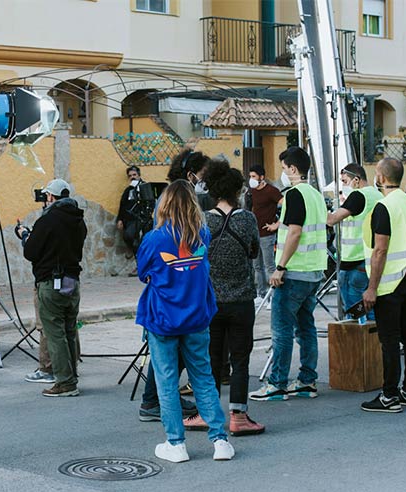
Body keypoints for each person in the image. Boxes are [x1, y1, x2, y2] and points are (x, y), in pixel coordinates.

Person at [136, 180, 234, 463]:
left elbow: (143, 273)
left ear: (163, 204)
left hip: (163, 319)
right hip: (197, 317)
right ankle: (220, 441)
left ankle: (176, 444)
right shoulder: (202, 233)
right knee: (203, 377)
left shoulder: (154, 239)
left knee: (167, 382)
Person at [250, 146, 327, 401]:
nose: (282, 173)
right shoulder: (315, 194)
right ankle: (307, 380)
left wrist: (280, 267)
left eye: (284, 168)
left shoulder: (294, 194)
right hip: (314, 270)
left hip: (294, 272)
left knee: (282, 329)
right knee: (306, 328)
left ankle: (277, 383)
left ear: (293, 169)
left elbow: (295, 232)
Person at [195, 158, 264, 436]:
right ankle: (238, 415)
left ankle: (206, 413)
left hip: (210, 301)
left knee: (210, 358)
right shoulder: (247, 219)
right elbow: (254, 251)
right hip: (241, 300)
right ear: (238, 191)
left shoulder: (203, 221)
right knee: (240, 359)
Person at [361, 158, 406, 413]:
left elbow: (380, 250)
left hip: (390, 282)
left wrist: (371, 288)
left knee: (389, 339)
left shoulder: (384, 207)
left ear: (380, 177)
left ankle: (389, 395)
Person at [19, 179, 87, 397]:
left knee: (55, 333)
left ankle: (65, 383)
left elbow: (31, 252)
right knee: (69, 330)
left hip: (51, 282)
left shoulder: (47, 221)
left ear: (50, 197)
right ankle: (71, 376)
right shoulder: (79, 220)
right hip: (72, 281)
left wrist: (25, 236)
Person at [326, 163, 382, 319]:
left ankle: (359, 341)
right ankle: (373, 341)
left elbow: (331, 220)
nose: (343, 185)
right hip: (371, 260)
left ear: (356, 180)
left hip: (354, 262)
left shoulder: (358, 196)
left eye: (345, 181)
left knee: (356, 312)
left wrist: (318, 207)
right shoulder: (378, 196)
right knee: (369, 309)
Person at [247, 164, 282, 302]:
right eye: (250, 176)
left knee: (269, 266)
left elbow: (286, 205)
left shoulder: (271, 191)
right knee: (257, 266)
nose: (251, 179)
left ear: (262, 177)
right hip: (255, 234)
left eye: (254, 176)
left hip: (267, 235)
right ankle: (261, 295)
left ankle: (273, 297)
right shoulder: (251, 192)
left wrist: (277, 224)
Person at [117, 166, 143, 258]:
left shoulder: (144, 187)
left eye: (134, 175)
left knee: (130, 235)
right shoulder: (128, 190)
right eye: (130, 175)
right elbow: (122, 205)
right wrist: (119, 219)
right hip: (128, 219)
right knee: (126, 236)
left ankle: (137, 256)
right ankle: (131, 248)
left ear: (139, 175)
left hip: (140, 218)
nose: (132, 177)